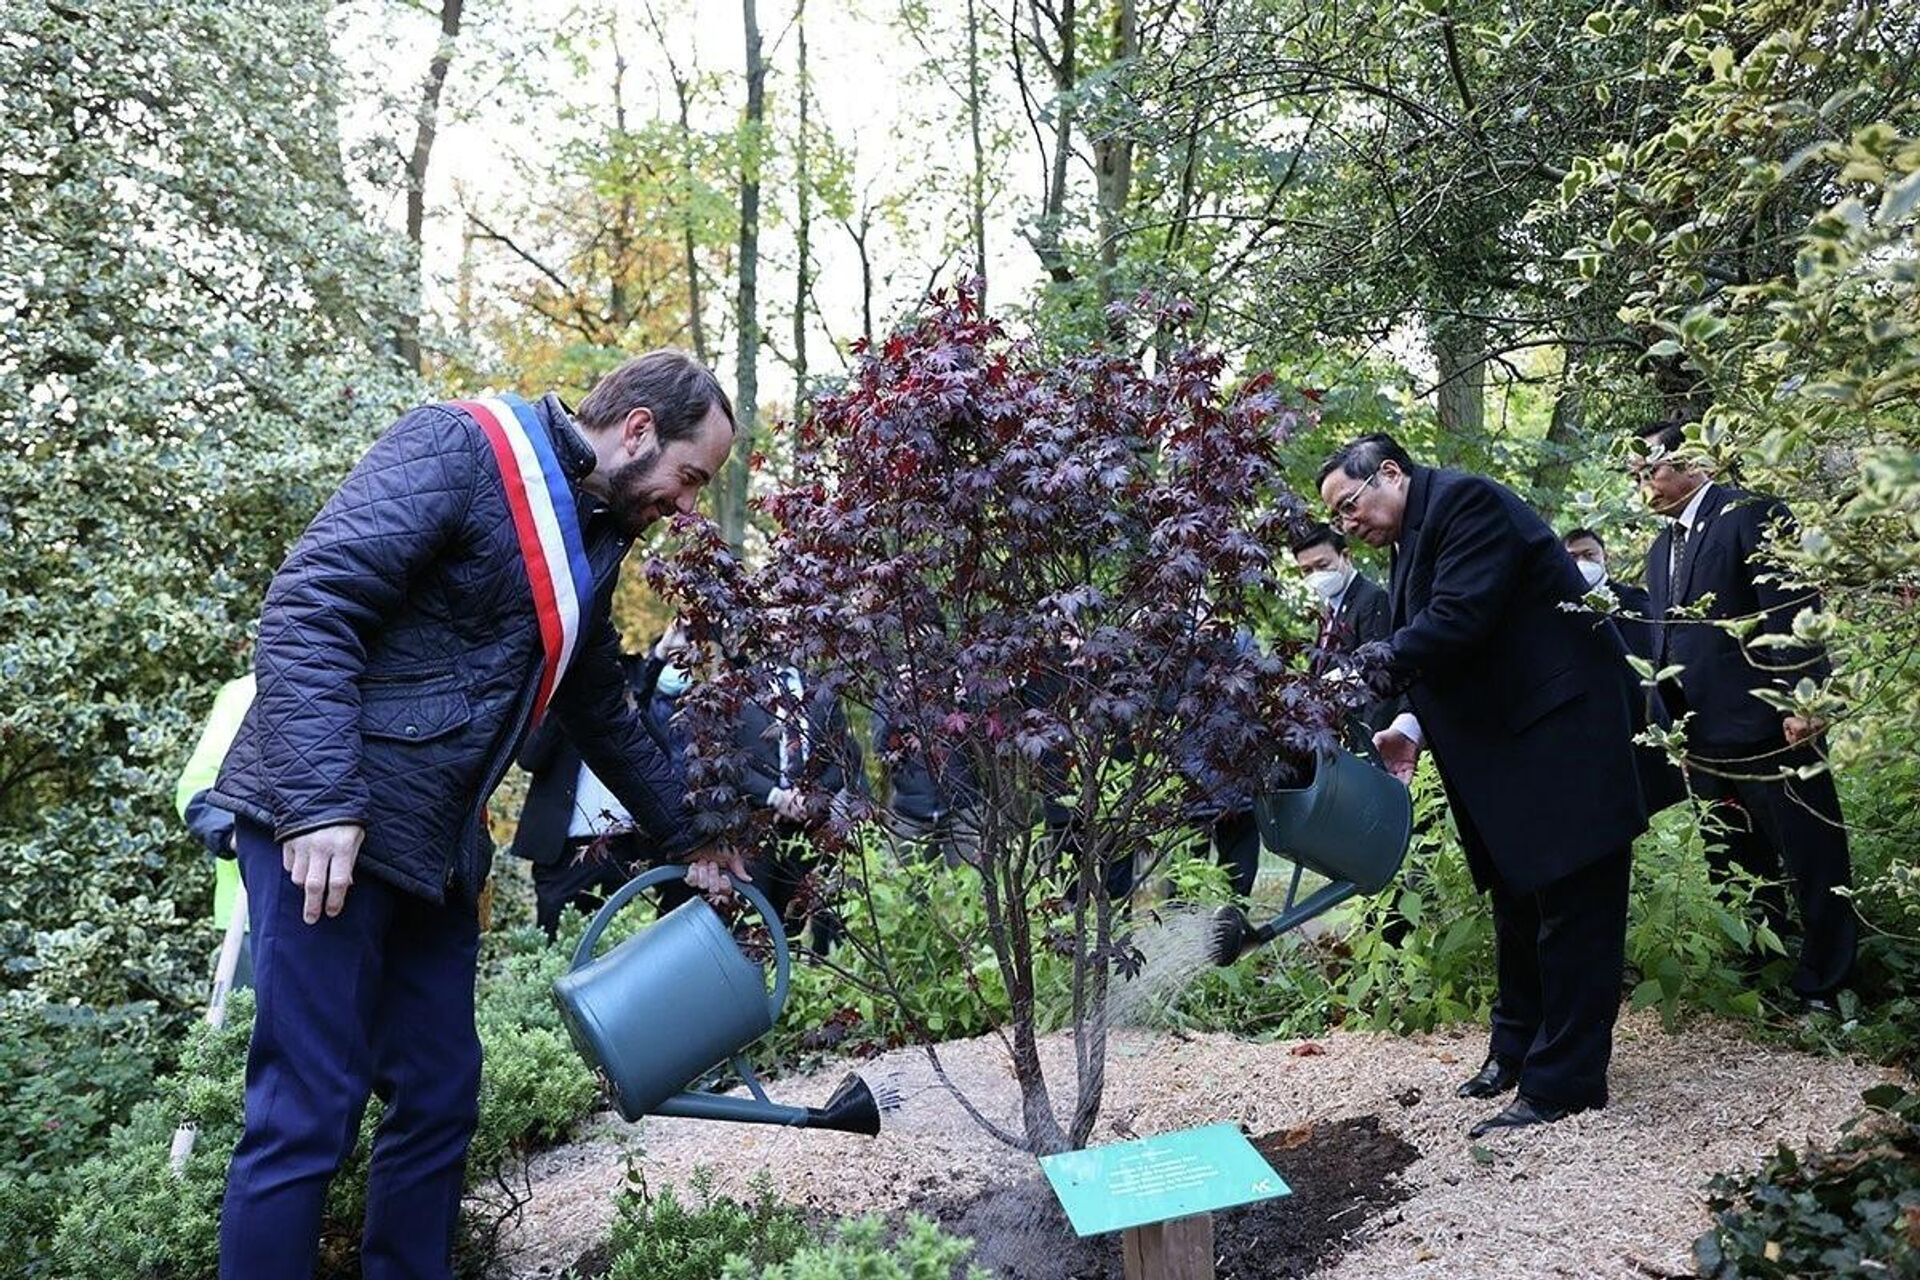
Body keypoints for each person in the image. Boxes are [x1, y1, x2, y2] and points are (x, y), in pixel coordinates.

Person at [204, 351, 744, 1280]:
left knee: (443, 1096)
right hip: (328, 830)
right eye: (689, 477)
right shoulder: (457, 447)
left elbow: (599, 705)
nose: (687, 506)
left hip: (435, 851)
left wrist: (695, 831)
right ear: (639, 429)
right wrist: (323, 802)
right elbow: (306, 608)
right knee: (307, 1111)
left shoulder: (592, 538)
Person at [1324, 431, 1648, 1138]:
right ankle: (1516, 1049)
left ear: (1389, 473)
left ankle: (1564, 1083)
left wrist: (1358, 672)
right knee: (1517, 903)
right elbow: (1450, 652)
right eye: (1340, 519)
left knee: (1574, 907)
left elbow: (1459, 620)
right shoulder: (1414, 536)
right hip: (1511, 748)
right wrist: (1408, 725)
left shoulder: (1468, 503)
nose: (1349, 526)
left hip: (1563, 737)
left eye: (1350, 507)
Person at [1631, 420, 1856, 1009]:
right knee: (1735, 859)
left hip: (1771, 725)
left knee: (1810, 852)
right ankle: (1764, 974)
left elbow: (1792, 603)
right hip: (1703, 736)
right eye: (1634, 474)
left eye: (1649, 469)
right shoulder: (1660, 549)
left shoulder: (1750, 512)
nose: (1642, 484)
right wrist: (1669, 725)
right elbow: (1668, 640)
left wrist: (1804, 699)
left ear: (1692, 463)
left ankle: (1827, 986)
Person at [510, 624, 696, 937]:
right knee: (553, 941)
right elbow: (529, 757)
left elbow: (641, 693)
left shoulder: (631, 724)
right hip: (564, 853)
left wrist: (662, 654)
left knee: (618, 952)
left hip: (622, 849)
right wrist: (566, 693)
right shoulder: (563, 719)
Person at [731, 663, 866, 950]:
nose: (778, 616)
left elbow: (846, 755)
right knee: (757, 917)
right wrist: (774, 796)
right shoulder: (739, 688)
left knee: (815, 912)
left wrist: (810, 796)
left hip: (813, 823)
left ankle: (816, 980)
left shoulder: (822, 691)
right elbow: (731, 761)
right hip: (757, 825)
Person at [174, 672, 257, 984]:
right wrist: (237, 835)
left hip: (366, 909)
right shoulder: (244, 692)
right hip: (252, 916)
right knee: (250, 1026)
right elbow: (198, 789)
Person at [1292, 522, 1400, 746]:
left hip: (1365, 734)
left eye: (1322, 565)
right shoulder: (1329, 610)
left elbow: (1381, 676)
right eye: (1307, 570)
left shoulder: (1371, 599)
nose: (1316, 575)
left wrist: (1369, 745)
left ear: (1346, 556)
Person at [1562, 527, 1656, 664]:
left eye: (1589, 554)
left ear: (1604, 557)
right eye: (1573, 557)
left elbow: (1643, 655)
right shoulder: (1563, 603)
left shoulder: (1632, 599)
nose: (1581, 562)